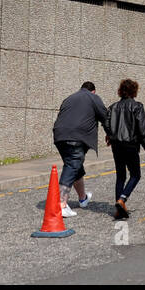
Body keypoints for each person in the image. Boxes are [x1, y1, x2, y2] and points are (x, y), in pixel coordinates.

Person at [51, 81, 110, 217]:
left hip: (59, 136)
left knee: (75, 166)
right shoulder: (93, 97)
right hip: (76, 137)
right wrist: (110, 135)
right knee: (72, 165)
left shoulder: (69, 98)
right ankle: (61, 205)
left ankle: (83, 198)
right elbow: (105, 117)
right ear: (93, 91)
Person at [106, 78, 145, 219]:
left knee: (120, 175)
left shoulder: (113, 107)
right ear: (134, 91)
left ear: (120, 91)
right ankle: (122, 199)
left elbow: (106, 123)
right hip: (131, 144)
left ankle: (119, 209)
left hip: (116, 145)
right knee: (135, 174)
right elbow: (141, 129)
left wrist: (110, 135)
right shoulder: (137, 106)